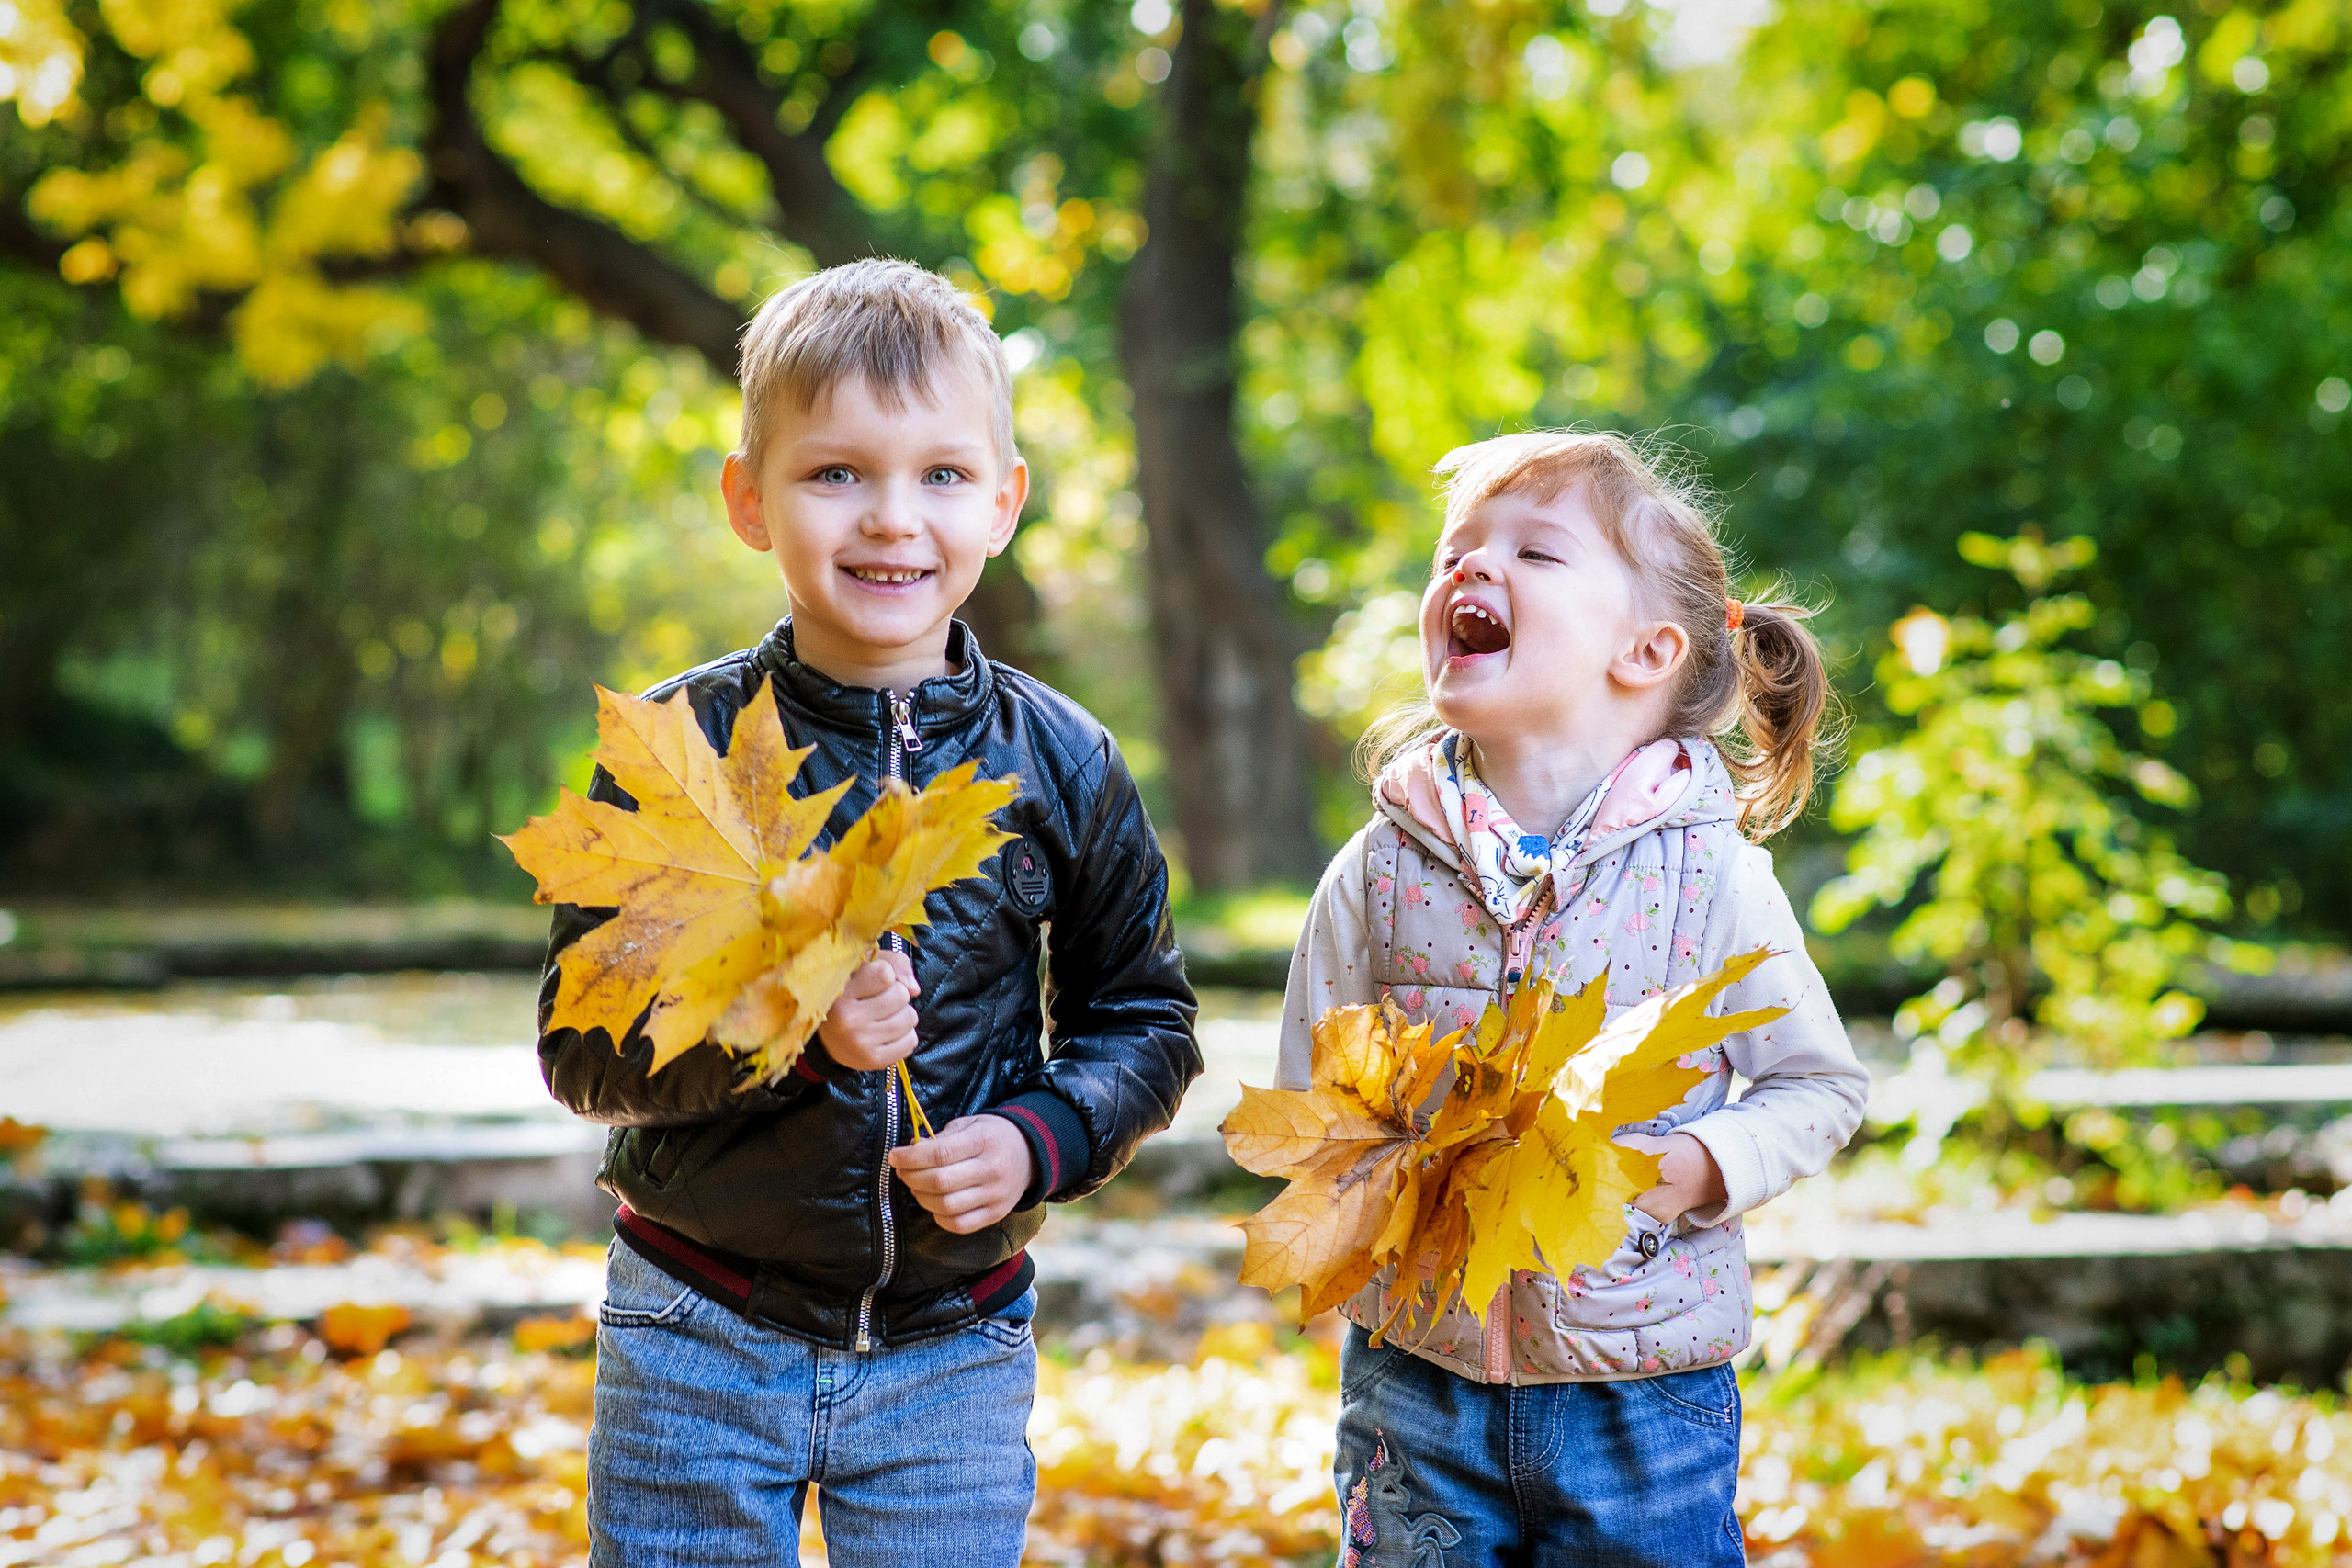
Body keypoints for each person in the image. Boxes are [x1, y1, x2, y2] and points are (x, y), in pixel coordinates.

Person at [537, 260, 1200, 1567]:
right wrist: (789, 1026)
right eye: (836, 472)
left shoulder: (1058, 758)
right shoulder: (683, 749)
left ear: (1006, 504)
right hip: (699, 1326)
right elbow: (581, 1047)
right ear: (748, 498)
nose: (893, 518)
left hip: (953, 1343)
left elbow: (1146, 1017)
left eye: (943, 476)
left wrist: (1043, 1137)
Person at [1280, 431, 1870, 1565]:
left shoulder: (1712, 875)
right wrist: (1371, 1185)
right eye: (1455, 552)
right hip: (1419, 1377)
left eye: (1535, 554)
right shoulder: (1380, 866)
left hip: (1640, 1385)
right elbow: (1313, 1093)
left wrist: (1684, 1172)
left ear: (1646, 650)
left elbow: (1816, 1088)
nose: (1470, 570)